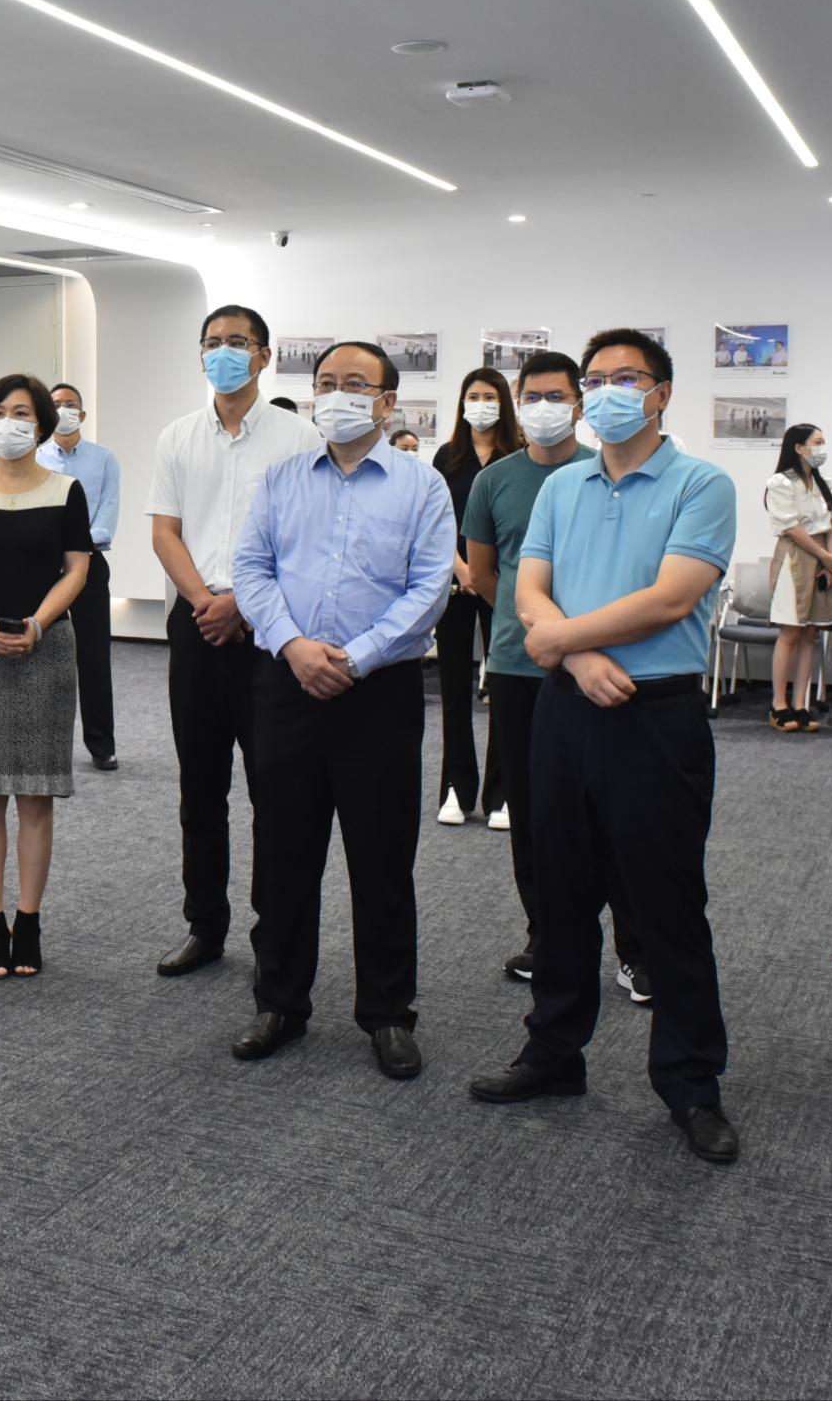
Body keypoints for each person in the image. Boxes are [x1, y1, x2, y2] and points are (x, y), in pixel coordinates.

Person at [469, 329, 742, 1163]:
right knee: (559, 894)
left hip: (654, 713)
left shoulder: (702, 483)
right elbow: (529, 587)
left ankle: (690, 1082)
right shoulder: (564, 485)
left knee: (666, 904)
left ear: (662, 392)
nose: (607, 392)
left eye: (628, 378)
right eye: (596, 380)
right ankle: (554, 1050)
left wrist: (562, 641)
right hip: (566, 706)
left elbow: (671, 598)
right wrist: (578, 659)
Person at [228, 342, 456, 1079]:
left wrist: (355, 657)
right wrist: (294, 646)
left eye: (354, 384)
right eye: (325, 383)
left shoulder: (422, 486)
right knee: (282, 853)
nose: (336, 395)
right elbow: (251, 570)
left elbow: (430, 589)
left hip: (378, 691)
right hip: (286, 684)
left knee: (381, 857)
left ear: (387, 401)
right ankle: (279, 1001)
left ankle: (387, 1013)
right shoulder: (282, 478)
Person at [463, 352, 648, 992]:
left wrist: (575, 638)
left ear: (579, 403)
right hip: (519, 665)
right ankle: (546, 937)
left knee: (615, 810)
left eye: (557, 396)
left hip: (606, 663)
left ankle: (635, 949)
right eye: (532, 396)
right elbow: (484, 574)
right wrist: (540, 629)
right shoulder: (495, 481)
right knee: (535, 813)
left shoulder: (604, 472)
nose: (543, 408)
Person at [146, 306, 319, 977]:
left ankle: (272, 930)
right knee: (200, 786)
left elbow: (303, 538)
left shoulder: (299, 437)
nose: (223, 353)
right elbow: (165, 532)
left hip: (270, 631)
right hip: (197, 625)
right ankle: (204, 924)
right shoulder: (177, 436)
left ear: (264, 355)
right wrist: (204, 602)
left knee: (273, 789)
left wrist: (243, 604)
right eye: (212, 343)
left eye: (237, 342)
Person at [0, 372, 93, 980]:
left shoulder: (65, 490)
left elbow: (76, 569)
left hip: (45, 650)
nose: (10, 422)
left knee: (34, 794)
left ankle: (28, 922)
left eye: (22, 412)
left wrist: (37, 624)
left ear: (42, 425)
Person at [434, 368, 521, 827]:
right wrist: (463, 569)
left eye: (490, 396)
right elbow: (437, 520)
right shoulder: (448, 456)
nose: (481, 404)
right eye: (473, 396)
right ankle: (456, 787)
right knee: (453, 687)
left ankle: (502, 793)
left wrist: (485, 574)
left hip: (503, 584)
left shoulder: (519, 454)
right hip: (455, 581)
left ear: (504, 403)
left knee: (504, 684)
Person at [39, 382, 121, 772]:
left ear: (82, 414)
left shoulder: (104, 459)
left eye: (70, 404)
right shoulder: (34, 457)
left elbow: (108, 512)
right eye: (55, 404)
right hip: (43, 567)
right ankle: (45, 744)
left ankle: (102, 745)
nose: (63, 410)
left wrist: (76, 547)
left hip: (89, 563)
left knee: (93, 655)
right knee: (43, 655)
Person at [764, 424, 832, 732]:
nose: (822, 448)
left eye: (823, 441)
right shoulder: (781, 482)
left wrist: (830, 562)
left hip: (822, 556)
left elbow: (830, 525)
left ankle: (800, 703)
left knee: (811, 633)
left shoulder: (824, 483)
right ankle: (779, 704)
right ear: (799, 448)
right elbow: (792, 529)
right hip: (795, 555)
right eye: (817, 442)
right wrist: (823, 555)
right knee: (791, 632)